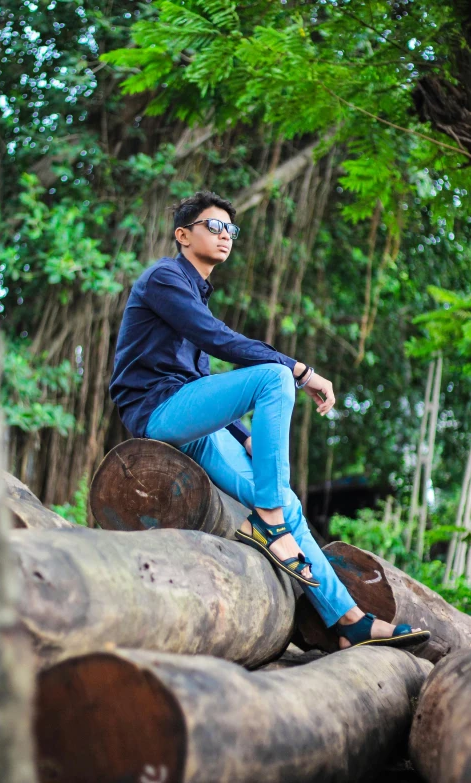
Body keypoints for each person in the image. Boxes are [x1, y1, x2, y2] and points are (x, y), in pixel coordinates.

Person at [110, 190, 430, 650]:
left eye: (231, 230)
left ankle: (349, 621)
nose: (225, 236)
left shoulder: (196, 292)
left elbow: (199, 373)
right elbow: (214, 340)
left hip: (193, 424)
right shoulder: (164, 278)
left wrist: (242, 435)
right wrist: (302, 371)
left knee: (287, 500)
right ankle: (270, 522)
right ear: (183, 235)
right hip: (157, 412)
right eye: (213, 226)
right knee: (276, 379)